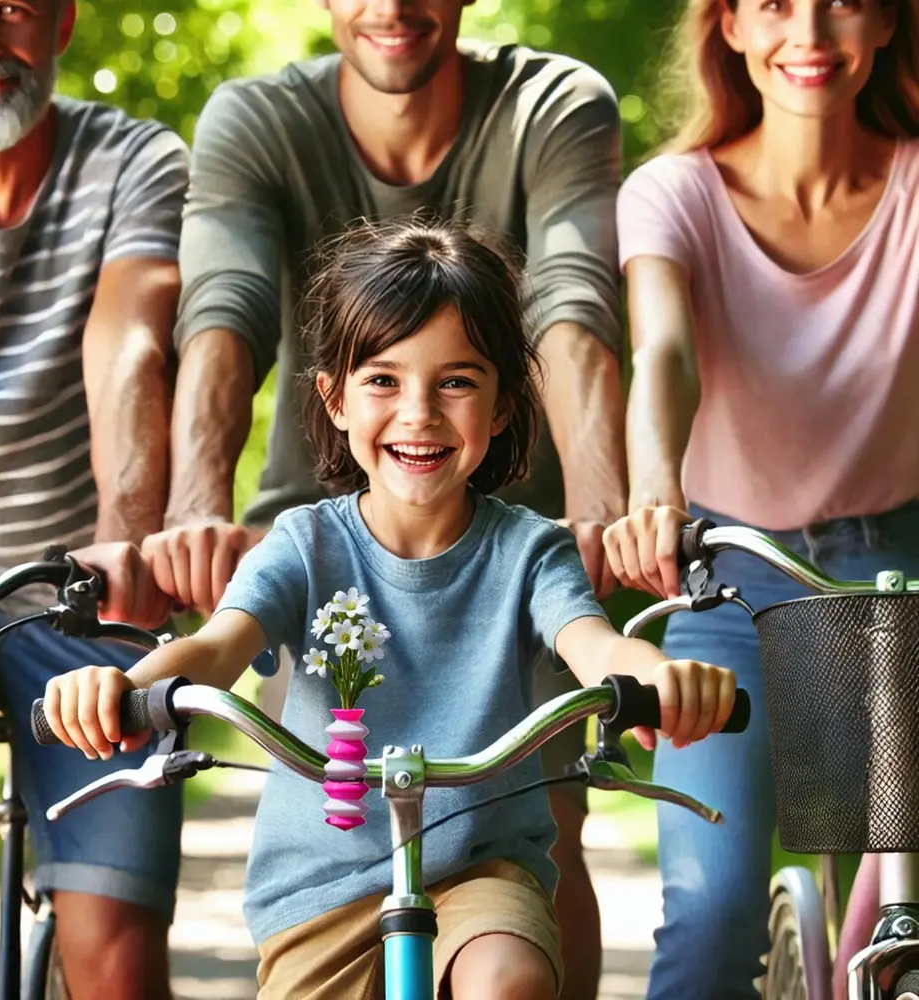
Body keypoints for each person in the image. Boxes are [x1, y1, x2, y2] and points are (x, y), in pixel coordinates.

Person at [44, 219, 737, 1000]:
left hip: (483, 871)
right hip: (321, 893)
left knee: (508, 981)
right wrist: (120, 685)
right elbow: (213, 650)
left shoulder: (530, 552)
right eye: (383, 380)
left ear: (505, 404)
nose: (419, 413)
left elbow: (596, 645)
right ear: (334, 399)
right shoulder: (302, 546)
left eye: (457, 382)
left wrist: (662, 676)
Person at [144, 4, 627, 991]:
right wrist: (187, 533)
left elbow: (573, 308)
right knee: (316, 752)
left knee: (534, 876)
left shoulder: (550, 101)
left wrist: (604, 520)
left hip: (510, 549)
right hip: (324, 874)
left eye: (454, 380)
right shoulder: (260, 119)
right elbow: (223, 311)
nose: (393, 4)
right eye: (382, 382)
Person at [601, 0, 919, 996]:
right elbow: (661, 354)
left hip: (891, 572)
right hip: (725, 583)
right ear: (730, 26)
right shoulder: (673, 194)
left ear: (884, 26)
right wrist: (652, 493)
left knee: (898, 897)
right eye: (777, 6)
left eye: (843, 4)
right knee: (711, 911)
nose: (811, 35)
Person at [0, 1, 188, 996]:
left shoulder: (132, 159)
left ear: (64, 22)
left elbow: (129, 343)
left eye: (12, 9)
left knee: (114, 959)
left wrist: (125, 544)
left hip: (82, 579)